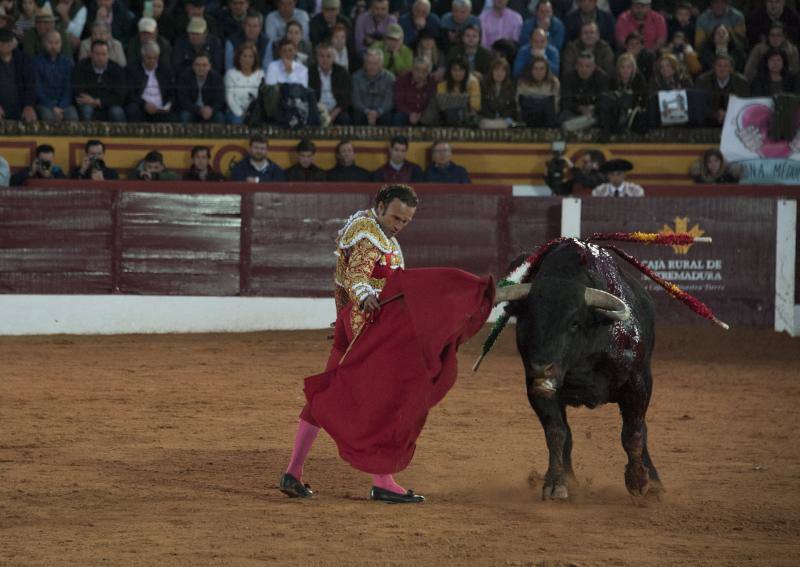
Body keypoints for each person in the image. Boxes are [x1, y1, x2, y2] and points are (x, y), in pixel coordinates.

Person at [72, 39, 127, 122]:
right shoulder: (81, 67)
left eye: (103, 54)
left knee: (117, 112)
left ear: (108, 55)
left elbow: (120, 96)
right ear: (91, 54)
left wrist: (98, 101)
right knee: (86, 110)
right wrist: (92, 102)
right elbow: (78, 90)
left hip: (108, 104)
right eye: (97, 54)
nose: (100, 58)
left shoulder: (117, 69)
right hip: (88, 103)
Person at [125, 41, 176, 123]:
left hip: (161, 110)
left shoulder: (165, 70)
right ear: (143, 57)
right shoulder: (132, 70)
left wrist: (169, 104)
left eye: (155, 58)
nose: (152, 61)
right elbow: (130, 94)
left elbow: (172, 93)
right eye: (148, 58)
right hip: (142, 108)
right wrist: (144, 104)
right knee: (132, 109)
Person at [33, 30, 78, 122]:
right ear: (44, 43)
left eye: (57, 43)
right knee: (48, 118)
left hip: (64, 103)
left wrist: (61, 107)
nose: (53, 46)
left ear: (61, 44)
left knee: (72, 118)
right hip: (44, 103)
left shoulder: (68, 63)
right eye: (50, 42)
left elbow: (69, 88)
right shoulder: (37, 63)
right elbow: (38, 89)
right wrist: (52, 107)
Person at [559, 50, 609, 131]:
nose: (584, 69)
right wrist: (580, 108)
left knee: (604, 116)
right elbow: (565, 102)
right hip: (573, 114)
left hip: (593, 113)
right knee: (563, 116)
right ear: (576, 66)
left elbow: (604, 100)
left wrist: (593, 108)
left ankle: (579, 125)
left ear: (594, 67)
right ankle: (585, 124)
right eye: (581, 66)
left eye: (588, 66)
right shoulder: (568, 77)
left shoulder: (602, 77)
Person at [696, 53, 748, 127]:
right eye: (719, 66)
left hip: (734, 120)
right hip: (708, 121)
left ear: (731, 69)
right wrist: (715, 114)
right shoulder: (703, 81)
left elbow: (744, 104)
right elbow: (699, 104)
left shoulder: (741, 83)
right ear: (714, 67)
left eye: (726, 66)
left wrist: (727, 114)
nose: (722, 69)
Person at [309, 41, 352, 126]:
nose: (325, 59)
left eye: (328, 56)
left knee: (345, 119)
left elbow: (347, 97)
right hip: (317, 110)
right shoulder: (310, 72)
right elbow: (309, 97)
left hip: (336, 110)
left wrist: (334, 113)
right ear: (317, 57)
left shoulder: (342, 72)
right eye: (322, 56)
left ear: (333, 57)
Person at [176, 53, 226, 124]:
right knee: (185, 116)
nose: (201, 68)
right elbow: (183, 100)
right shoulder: (185, 77)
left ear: (209, 66)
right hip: (192, 110)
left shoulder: (217, 78)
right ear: (193, 66)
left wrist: (211, 109)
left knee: (220, 118)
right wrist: (199, 110)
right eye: (198, 65)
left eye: (204, 65)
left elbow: (220, 99)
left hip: (210, 110)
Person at [0, 28, 36, 123]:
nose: (5, 44)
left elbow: (31, 85)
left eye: (8, 41)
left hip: (20, 106)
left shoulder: (24, 60)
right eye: (2, 41)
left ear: (13, 43)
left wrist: (28, 105)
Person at [351, 47, 395, 125]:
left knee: (387, 118)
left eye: (375, 63)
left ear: (381, 64)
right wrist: (367, 112)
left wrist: (378, 112)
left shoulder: (389, 78)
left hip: (382, 111)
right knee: (357, 116)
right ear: (364, 63)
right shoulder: (356, 77)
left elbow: (389, 101)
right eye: (369, 63)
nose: (372, 67)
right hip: (363, 111)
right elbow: (355, 100)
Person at [225, 41, 265, 124]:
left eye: (250, 57)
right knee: (238, 122)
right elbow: (229, 98)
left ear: (255, 59)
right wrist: (240, 113)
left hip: (255, 111)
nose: (247, 60)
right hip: (236, 112)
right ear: (239, 58)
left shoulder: (260, 74)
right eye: (244, 56)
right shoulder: (231, 74)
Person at [516, 54, 560, 127]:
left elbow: (556, 105)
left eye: (542, 69)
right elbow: (518, 105)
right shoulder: (523, 82)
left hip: (548, 120)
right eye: (535, 69)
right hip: (527, 119)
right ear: (531, 70)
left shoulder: (554, 83)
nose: (538, 72)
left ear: (546, 70)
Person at [393, 56, 436, 126]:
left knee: (431, 118)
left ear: (428, 72)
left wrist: (421, 114)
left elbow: (432, 104)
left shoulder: (431, 82)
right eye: (417, 70)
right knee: (399, 117)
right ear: (412, 69)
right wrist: (410, 114)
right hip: (406, 113)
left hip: (423, 114)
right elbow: (399, 102)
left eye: (424, 71)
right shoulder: (401, 80)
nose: (420, 74)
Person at [479, 56, 516, 127]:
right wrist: (492, 117)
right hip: (487, 118)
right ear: (491, 71)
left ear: (507, 72)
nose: (499, 73)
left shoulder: (511, 86)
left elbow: (511, 107)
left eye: (503, 71)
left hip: (505, 119)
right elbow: (482, 105)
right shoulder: (483, 85)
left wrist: (503, 117)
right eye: (496, 70)